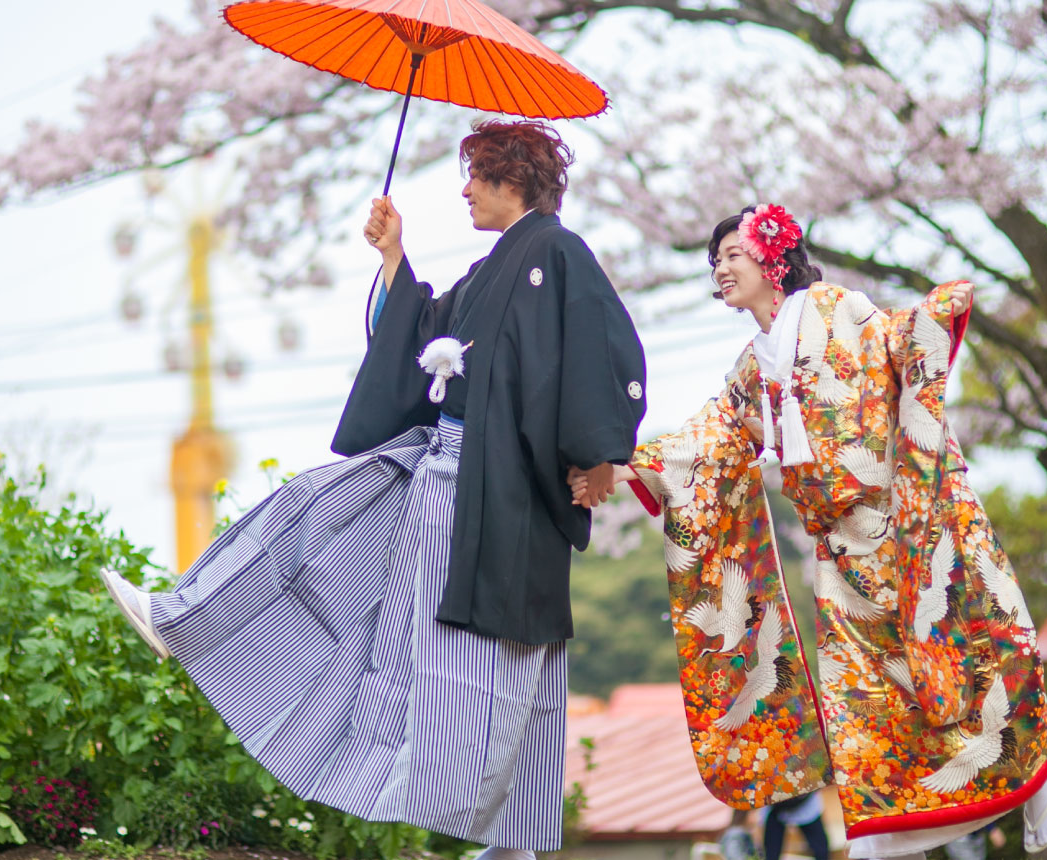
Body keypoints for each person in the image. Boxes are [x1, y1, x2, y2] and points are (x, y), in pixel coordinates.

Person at [100, 119, 648, 859]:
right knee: (316, 517)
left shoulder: (556, 252)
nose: (464, 189)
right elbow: (425, 333)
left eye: (475, 174)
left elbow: (602, 348)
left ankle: (511, 844)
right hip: (447, 478)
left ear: (509, 177)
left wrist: (600, 452)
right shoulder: (495, 268)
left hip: (501, 499)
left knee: (493, 663)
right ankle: (186, 617)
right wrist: (393, 255)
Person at [569, 205, 1047, 860]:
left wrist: (931, 320)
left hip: (900, 530)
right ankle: (886, 830)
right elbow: (709, 444)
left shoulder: (838, 308)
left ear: (773, 257)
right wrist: (620, 465)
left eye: (732, 254)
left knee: (965, 663)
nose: (720, 269)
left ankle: (1038, 775)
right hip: (839, 556)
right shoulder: (753, 370)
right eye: (714, 260)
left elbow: (899, 343)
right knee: (869, 702)